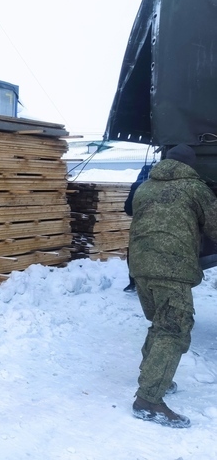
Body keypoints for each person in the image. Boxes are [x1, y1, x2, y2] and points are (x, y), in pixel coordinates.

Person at [128, 143, 217, 428]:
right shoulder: (195, 188)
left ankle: (153, 379)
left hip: (139, 266)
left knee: (160, 323)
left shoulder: (145, 188)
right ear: (191, 166)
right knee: (174, 329)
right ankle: (148, 400)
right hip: (172, 268)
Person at [123, 163, 152, 292]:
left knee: (135, 255)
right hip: (161, 229)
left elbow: (128, 209)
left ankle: (134, 283)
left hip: (139, 227)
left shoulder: (137, 186)